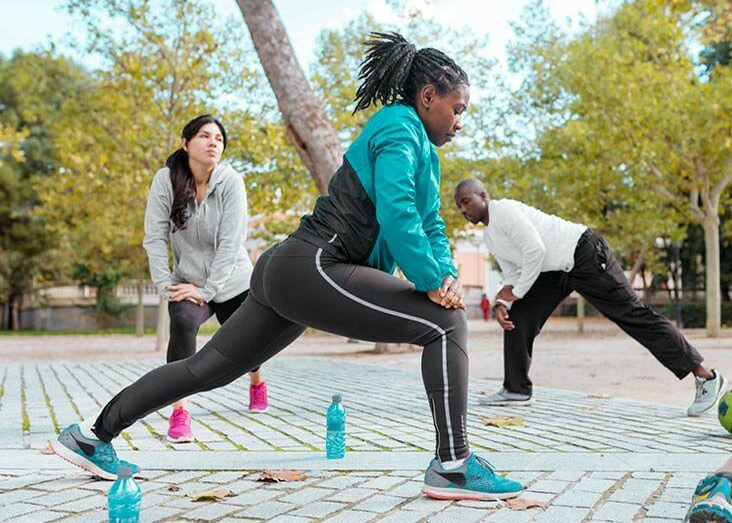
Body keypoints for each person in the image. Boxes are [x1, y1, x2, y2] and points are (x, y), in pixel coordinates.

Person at [49, 32, 523, 501]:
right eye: (457, 108)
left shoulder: (421, 148)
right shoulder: (399, 127)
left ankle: (91, 438)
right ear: (427, 96)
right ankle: (454, 464)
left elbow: (428, 223)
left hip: (291, 270)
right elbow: (397, 215)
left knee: (205, 370)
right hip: (313, 264)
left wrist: (445, 276)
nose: (460, 121)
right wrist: (432, 282)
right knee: (444, 325)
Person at [454, 178, 725, 415]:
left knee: (633, 314)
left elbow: (534, 250)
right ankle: (516, 390)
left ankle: (705, 375)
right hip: (555, 269)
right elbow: (514, 271)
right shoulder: (490, 235)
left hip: (584, 253)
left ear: (484, 196)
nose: (464, 210)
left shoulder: (505, 210)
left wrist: (517, 292)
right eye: (460, 207)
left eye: (467, 201)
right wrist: (504, 302)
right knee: (519, 316)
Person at [142, 115, 268, 444]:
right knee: (182, 323)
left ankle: (256, 380)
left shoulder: (231, 182)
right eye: (204, 136)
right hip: (187, 281)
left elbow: (231, 243)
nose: (213, 142)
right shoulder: (165, 181)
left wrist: (208, 290)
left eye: (219, 139)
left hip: (234, 281)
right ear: (186, 144)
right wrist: (165, 286)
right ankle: (180, 409)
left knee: (246, 342)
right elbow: (154, 237)